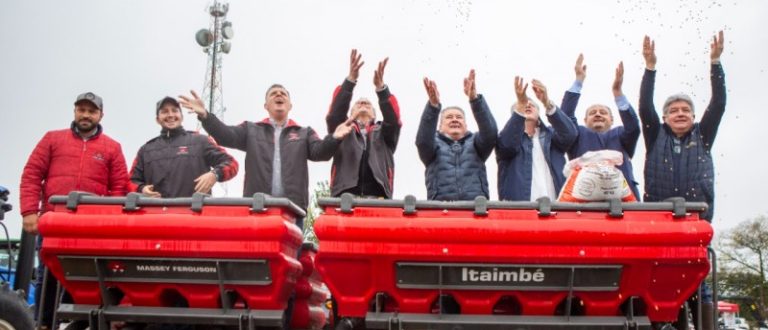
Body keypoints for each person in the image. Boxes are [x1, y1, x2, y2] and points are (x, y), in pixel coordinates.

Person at [19, 92, 129, 329]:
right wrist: (29, 212)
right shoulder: (52, 139)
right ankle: (44, 323)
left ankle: (80, 323)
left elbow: (118, 188)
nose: (86, 115)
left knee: (90, 276)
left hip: (91, 228)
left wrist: (109, 223)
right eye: (82, 110)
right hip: (53, 222)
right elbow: (32, 175)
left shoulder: (112, 148)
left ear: (101, 115)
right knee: (46, 275)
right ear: (75, 111)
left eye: (91, 111)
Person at [640, 32, 726, 330]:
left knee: (699, 286)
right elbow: (644, 106)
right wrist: (650, 68)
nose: (680, 114)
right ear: (664, 118)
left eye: (685, 110)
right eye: (673, 110)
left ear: (693, 116)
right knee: (664, 286)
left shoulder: (703, 135)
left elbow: (719, 103)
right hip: (659, 225)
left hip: (695, 224)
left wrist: (715, 63)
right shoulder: (654, 135)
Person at [180, 85, 353, 221]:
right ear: (266, 105)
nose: (279, 95)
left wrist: (335, 137)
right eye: (273, 94)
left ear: (290, 105)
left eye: (283, 94)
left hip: (293, 210)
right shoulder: (251, 130)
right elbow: (225, 136)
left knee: (292, 262)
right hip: (257, 209)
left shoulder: (304, 132)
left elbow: (320, 153)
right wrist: (205, 116)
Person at [560, 55, 641, 199]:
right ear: (585, 120)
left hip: (623, 203)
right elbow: (564, 118)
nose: (598, 114)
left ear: (611, 119)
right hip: (583, 204)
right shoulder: (578, 134)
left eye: (603, 112)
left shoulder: (621, 134)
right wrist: (578, 81)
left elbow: (633, 127)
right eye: (592, 113)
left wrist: (618, 93)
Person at [326, 50, 401, 198]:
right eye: (359, 103)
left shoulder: (384, 133)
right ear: (350, 111)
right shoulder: (342, 129)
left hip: (378, 195)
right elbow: (334, 113)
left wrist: (381, 89)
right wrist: (350, 81)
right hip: (344, 194)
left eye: (367, 104)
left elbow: (394, 120)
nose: (363, 103)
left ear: (374, 114)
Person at [130, 96, 238, 198]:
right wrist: (142, 188)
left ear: (182, 117)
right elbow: (130, 182)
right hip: (156, 215)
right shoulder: (146, 150)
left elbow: (232, 163)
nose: (170, 115)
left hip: (193, 214)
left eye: (175, 110)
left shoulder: (201, 141)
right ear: (157, 119)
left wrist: (215, 174)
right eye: (164, 111)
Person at [416, 70, 497, 201]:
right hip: (441, 209)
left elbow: (490, 134)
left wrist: (474, 99)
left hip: (476, 209)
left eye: (459, 117)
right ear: (440, 127)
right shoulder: (433, 147)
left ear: (465, 125)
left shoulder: (476, 143)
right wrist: (433, 106)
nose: (455, 120)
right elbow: (423, 142)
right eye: (449, 117)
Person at [496, 77, 578, 201]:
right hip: (520, 212)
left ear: (539, 115)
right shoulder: (507, 138)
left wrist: (546, 102)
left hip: (556, 209)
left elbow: (570, 134)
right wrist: (520, 108)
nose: (527, 105)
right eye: (522, 105)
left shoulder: (552, 137)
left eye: (532, 105)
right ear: (514, 115)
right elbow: (506, 146)